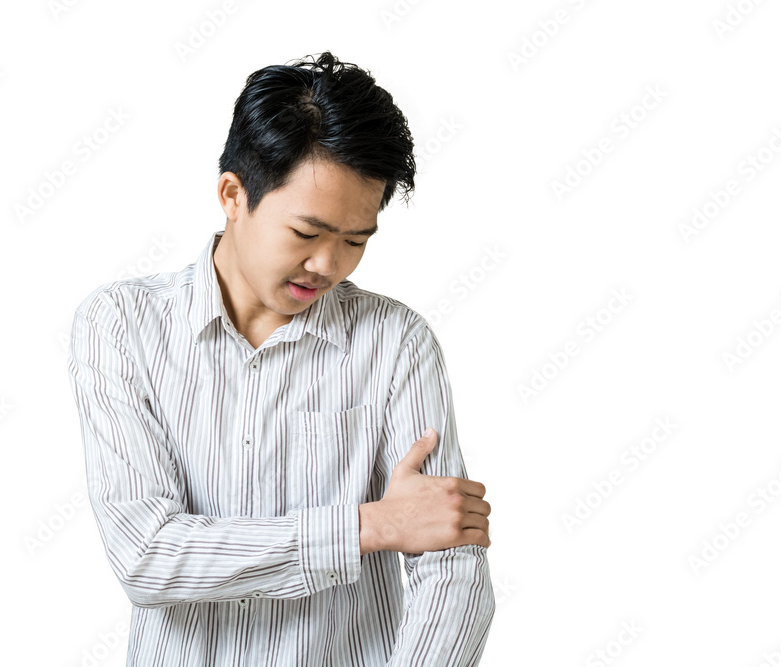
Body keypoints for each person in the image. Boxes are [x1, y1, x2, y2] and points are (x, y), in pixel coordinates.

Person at [67, 51, 494, 666]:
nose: (328, 265)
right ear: (233, 195)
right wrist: (368, 526)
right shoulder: (122, 326)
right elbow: (147, 556)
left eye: (354, 242)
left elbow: (453, 572)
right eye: (306, 234)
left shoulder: (396, 342)